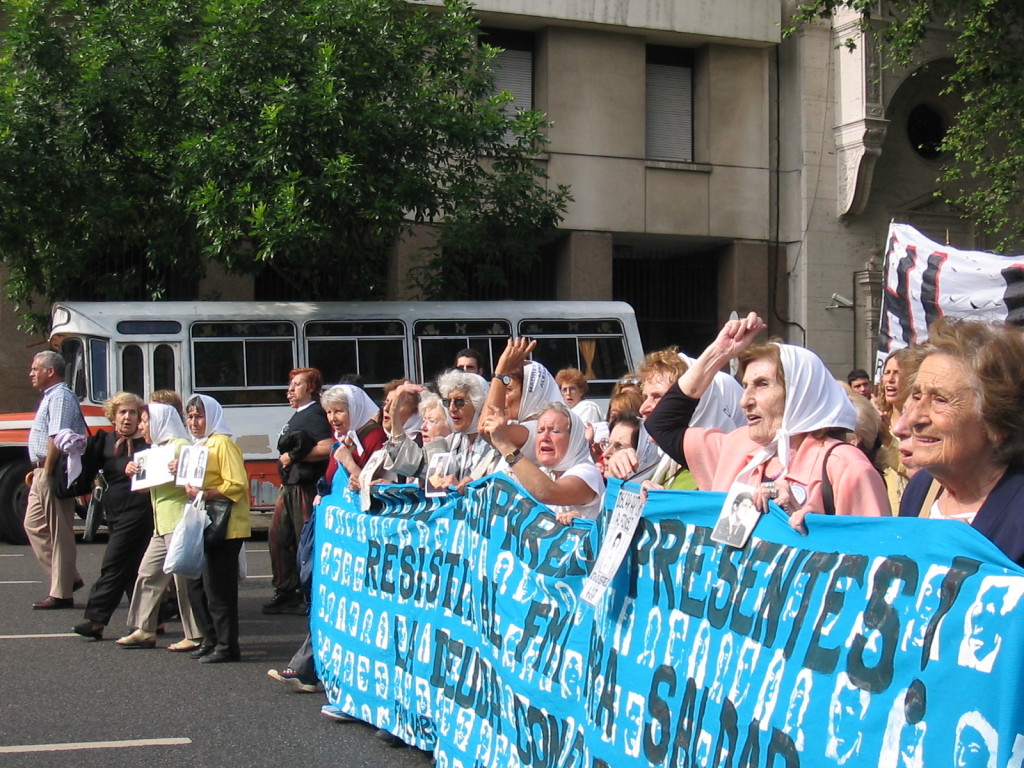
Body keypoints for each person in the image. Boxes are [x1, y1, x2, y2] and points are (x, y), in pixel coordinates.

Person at [645, 312, 890, 531]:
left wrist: (810, 531)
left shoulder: (846, 466)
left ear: (800, 392)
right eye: (744, 386)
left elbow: (879, 562)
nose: (745, 401)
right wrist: (719, 353)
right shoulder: (738, 449)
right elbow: (661, 425)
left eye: (762, 384)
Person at [268, 384, 385, 692]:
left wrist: (347, 460)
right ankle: (309, 668)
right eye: (330, 412)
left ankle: (307, 668)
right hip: (335, 531)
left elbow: (365, 480)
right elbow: (332, 477)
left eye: (339, 411)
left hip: (358, 537)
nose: (333, 418)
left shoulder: (372, 438)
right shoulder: (346, 438)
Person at [896, 318, 1024, 565]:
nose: (913, 418)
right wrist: (818, 535)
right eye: (916, 396)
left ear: (998, 422)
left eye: (940, 400)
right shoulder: (921, 488)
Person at [115, 402, 202, 651]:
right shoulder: (154, 450)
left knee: (182, 581)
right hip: (161, 525)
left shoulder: (180, 445)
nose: (141, 426)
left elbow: (194, 479)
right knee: (147, 573)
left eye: (145, 420)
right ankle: (144, 629)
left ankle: (195, 634)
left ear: (160, 421)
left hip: (179, 523)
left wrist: (179, 471)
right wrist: (133, 472)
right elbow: (144, 487)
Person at [71, 393, 153, 640]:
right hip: (114, 513)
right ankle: (152, 620)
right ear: (113, 416)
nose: (127, 417)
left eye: (133, 413)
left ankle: (96, 621)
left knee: (114, 564)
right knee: (133, 569)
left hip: (139, 511)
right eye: (122, 412)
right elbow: (82, 470)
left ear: (140, 417)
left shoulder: (148, 443)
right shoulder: (104, 441)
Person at [607, 345, 744, 487]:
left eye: (658, 397)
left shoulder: (726, 469)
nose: (643, 408)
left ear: (697, 403)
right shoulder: (665, 463)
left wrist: (662, 503)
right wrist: (616, 470)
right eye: (645, 397)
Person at [183, 394, 251, 663]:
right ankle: (210, 638)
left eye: (199, 416)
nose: (193, 422)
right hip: (203, 522)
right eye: (189, 416)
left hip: (226, 527)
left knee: (218, 590)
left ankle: (226, 646)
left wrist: (208, 492)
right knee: (196, 585)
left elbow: (237, 484)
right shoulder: (199, 444)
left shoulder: (222, 443)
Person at [265, 368, 333, 615]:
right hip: (290, 486)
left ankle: (309, 593)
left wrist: (293, 456)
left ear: (311, 388)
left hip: (304, 486)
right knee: (279, 537)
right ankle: (286, 589)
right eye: (291, 385)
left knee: (304, 541)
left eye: (297, 385)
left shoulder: (315, 414)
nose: (290, 390)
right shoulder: (298, 415)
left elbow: (327, 446)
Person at [24, 350, 88, 609]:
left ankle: (62, 593)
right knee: (33, 525)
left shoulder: (60, 396)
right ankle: (67, 577)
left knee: (59, 531)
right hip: (40, 470)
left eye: (35, 369)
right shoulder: (50, 397)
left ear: (50, 371)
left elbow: (57, 437)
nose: (31, 373)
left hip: (53, 470)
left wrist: (48, 472)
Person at [483, 402, 604, 525]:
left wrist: (504, 444)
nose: (545, 437)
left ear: (574, 439)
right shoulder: (545, 473)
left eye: (555, 431)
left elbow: (548, 492)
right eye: (540, 431)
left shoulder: (587, 472)